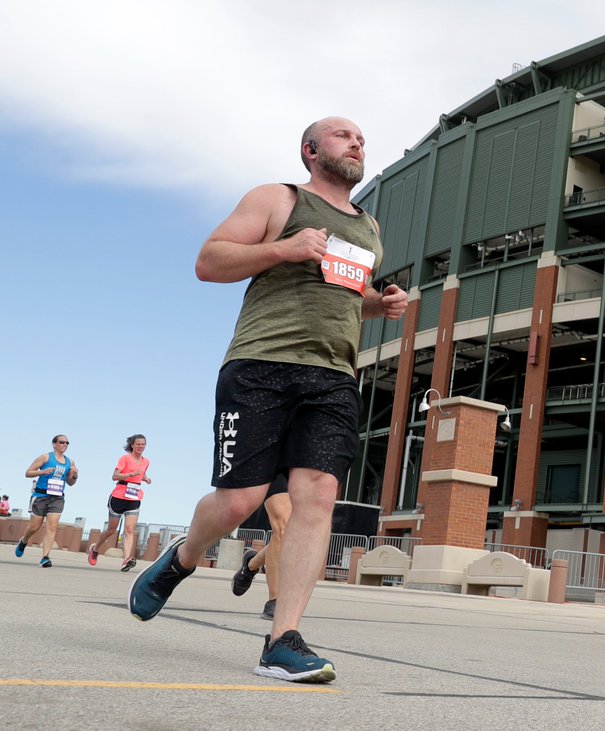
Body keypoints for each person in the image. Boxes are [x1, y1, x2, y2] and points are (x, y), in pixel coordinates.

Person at [128, 117, 408, 685]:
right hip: (261, 365)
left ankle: (282, 640)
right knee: (239, 501)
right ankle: (182, 558)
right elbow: (209, 263)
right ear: (310, 151)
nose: (356, 142)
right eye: (341, 135)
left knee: (317, 496)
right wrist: (283, 248)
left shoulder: (370, 226)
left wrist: (382, 304)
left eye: (361, 137)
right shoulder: (277, 199)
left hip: (332, 374)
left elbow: (341, 294)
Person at [231, 475, 291, 620]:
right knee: (284, 527)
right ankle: (274, 601)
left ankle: (251, 564)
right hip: (275, 461)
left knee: (298, 538)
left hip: (309, 465)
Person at [89, 434, 152, 571]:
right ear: (132, 445)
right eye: (138, 444)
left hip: (134, 497)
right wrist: (130, 475)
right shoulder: (125, 459)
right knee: (112, 529)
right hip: (119, 496)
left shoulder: (146, 461)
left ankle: (126, 560)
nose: (141, 446)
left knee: (129, 529)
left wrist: (146, 478)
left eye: (143, 444)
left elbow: (141, 473)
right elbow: (115, 476)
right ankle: (95, 548)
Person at [18, 435, 79, 567]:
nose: (65, 445)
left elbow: (70, 483)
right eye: (62, 442)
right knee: (34, 527)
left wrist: (74, 476)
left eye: (67, 443)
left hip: (57, 497)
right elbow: (28, 473)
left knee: (52, 526)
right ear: (54, 444)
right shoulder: (45, 457)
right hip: (40, 496)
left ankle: (45, 557)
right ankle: (24, 541)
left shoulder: (70, 462)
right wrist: (43, 472)